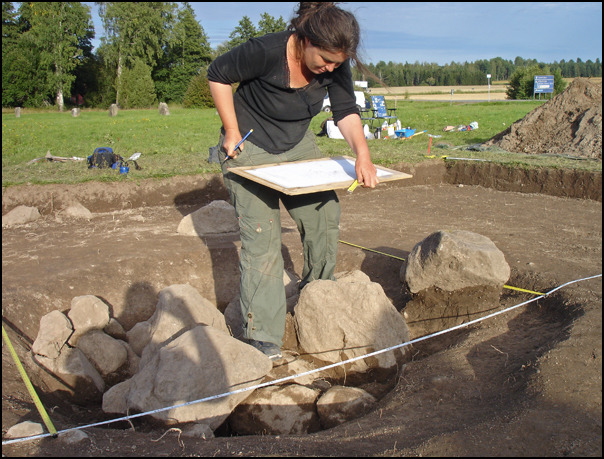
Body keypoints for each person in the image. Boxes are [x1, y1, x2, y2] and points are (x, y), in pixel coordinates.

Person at [207, 2, 379, 361]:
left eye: (337, 63)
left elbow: (345, 110)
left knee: (324, 211)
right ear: (305, 40)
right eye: (325, 61)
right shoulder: (266, 50)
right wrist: (232, 130)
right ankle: (262, 337)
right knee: (262, 236)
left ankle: (317, 295)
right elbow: (219, 73)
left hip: (298, 143)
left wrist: (362, 154)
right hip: (249, 144)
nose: (329, 69)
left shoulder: (335, 64)